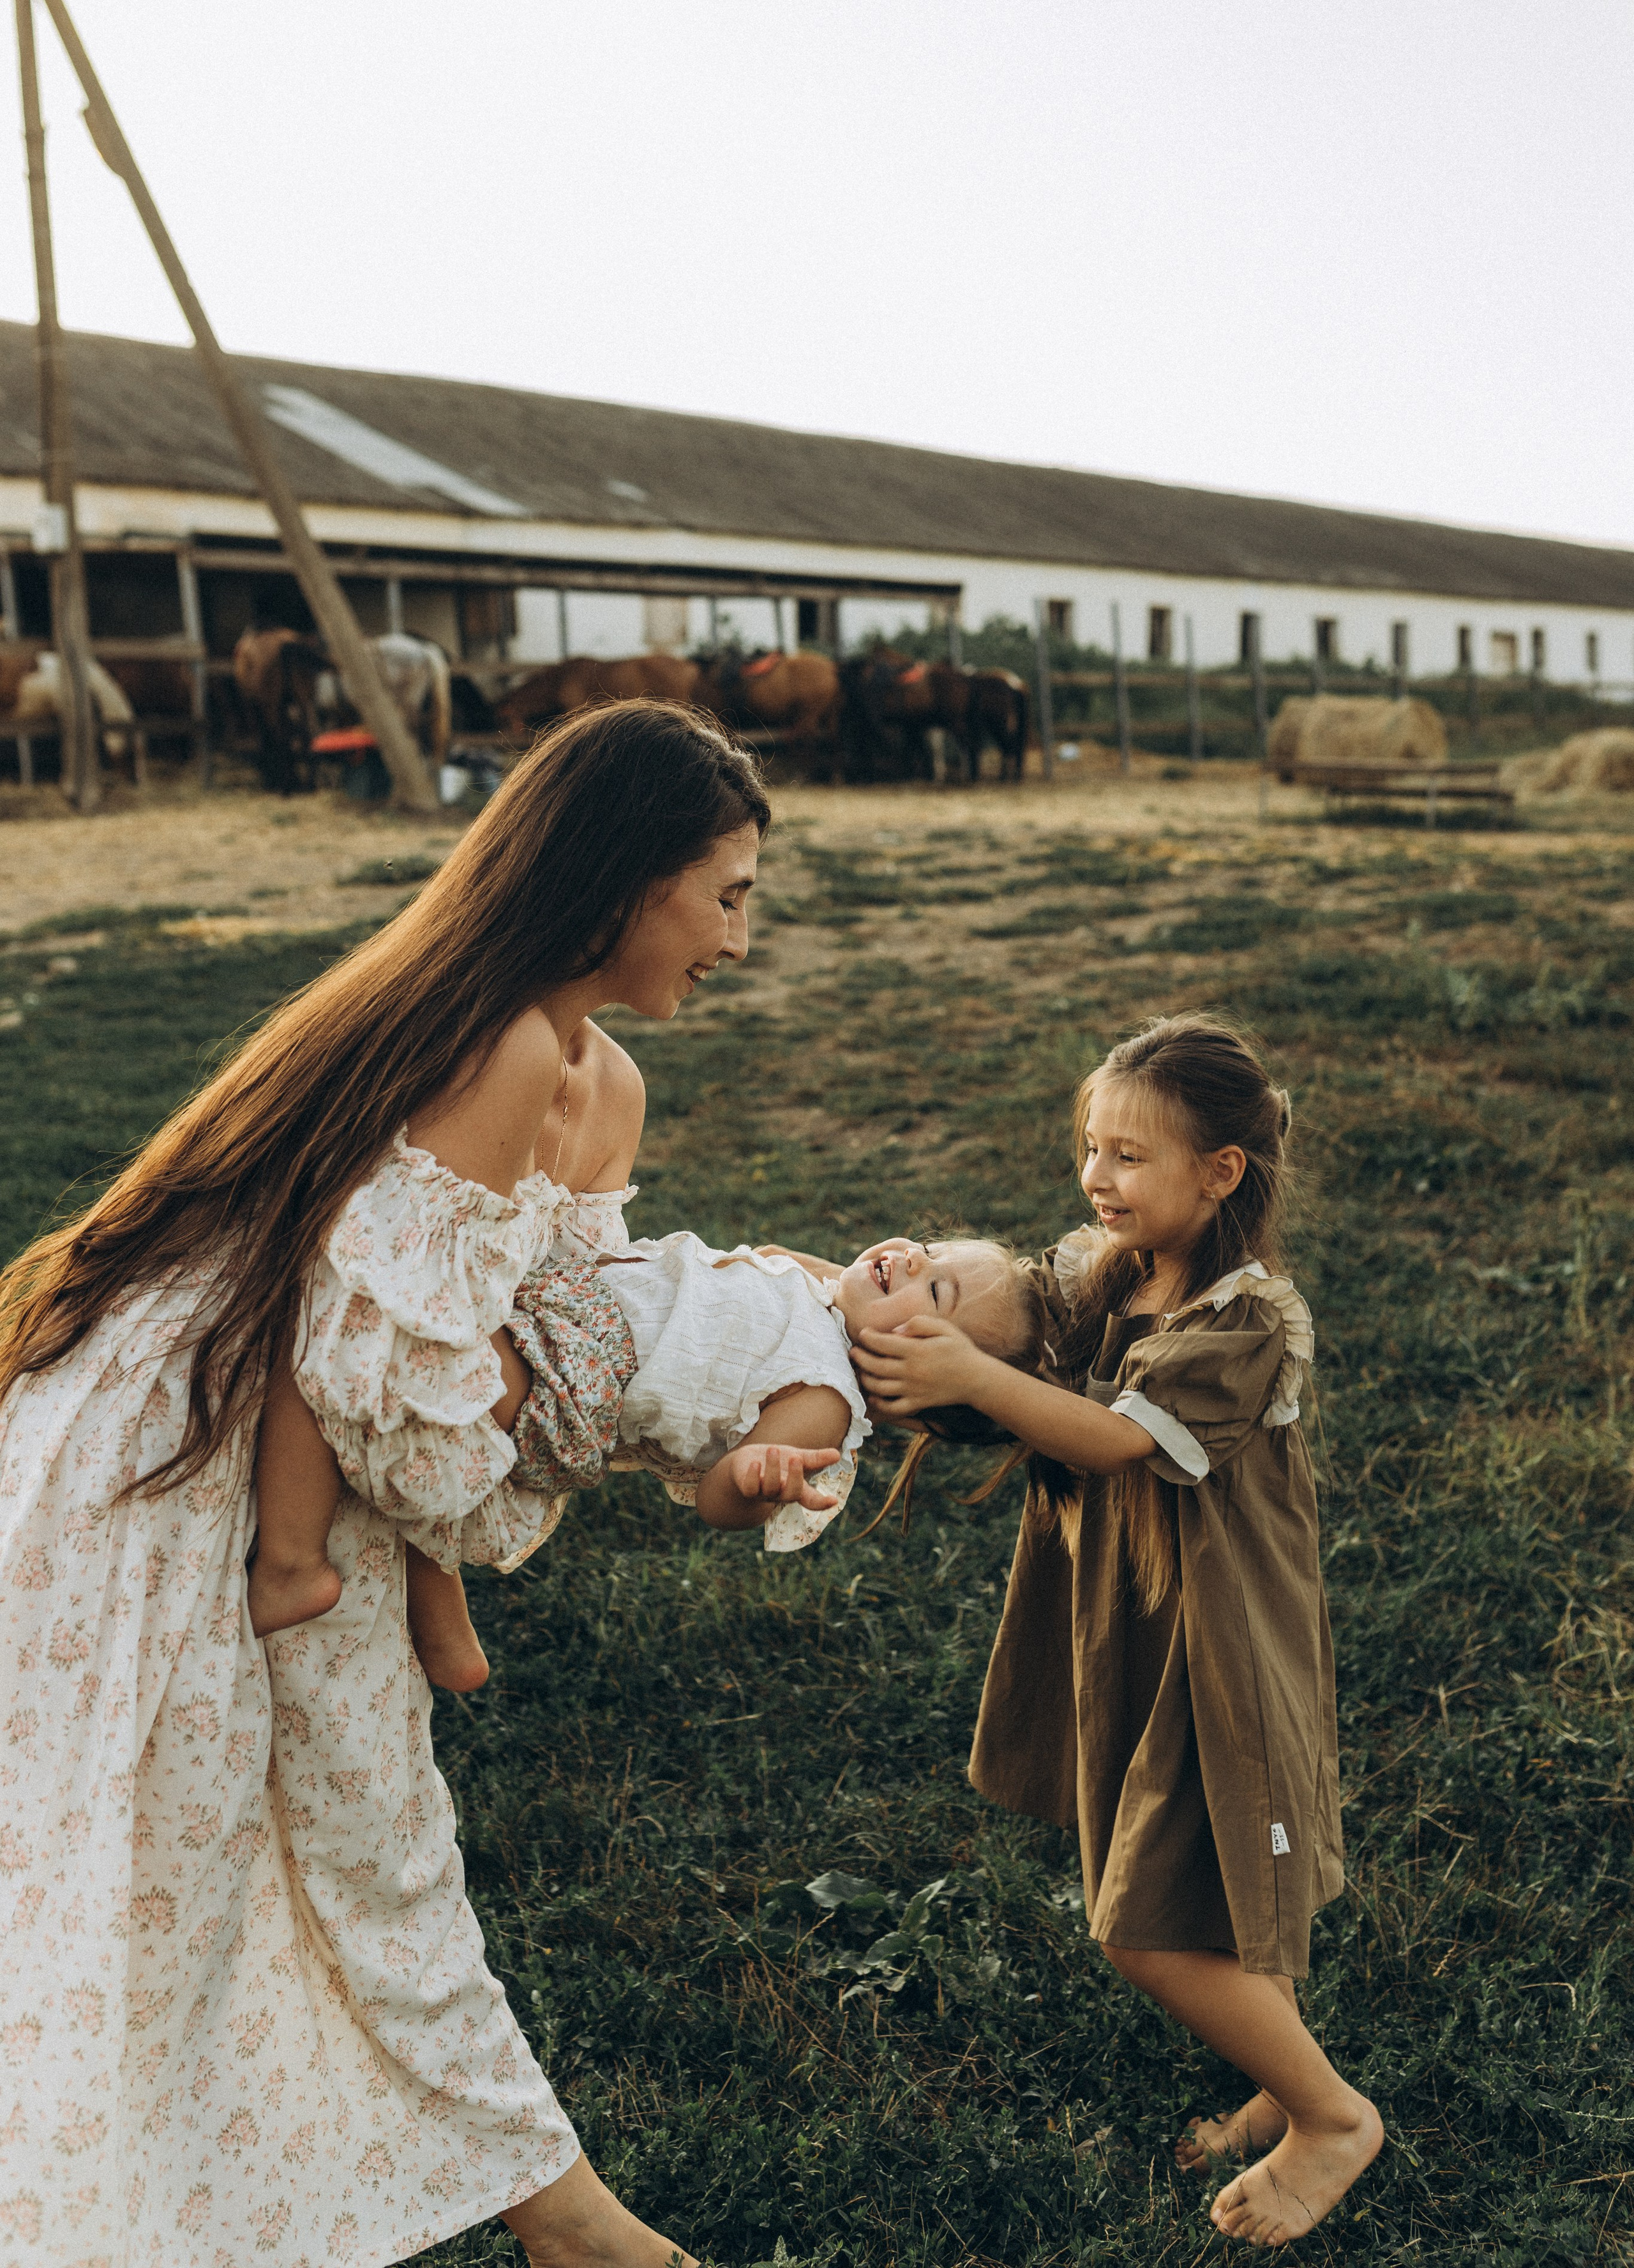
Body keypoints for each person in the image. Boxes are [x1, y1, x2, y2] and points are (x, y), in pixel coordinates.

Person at [0, 700, 776, 2268]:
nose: (739, 940)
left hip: (311, 1433)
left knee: (363, 1829)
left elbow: (538, 1332)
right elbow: (384, 1368)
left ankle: (555, 2212)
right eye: (730, 893)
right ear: (628, 880)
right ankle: (109, 2198)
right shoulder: (487, 1038)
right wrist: (506, 1478)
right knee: (181, 1847)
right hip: (193, 1446)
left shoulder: (592, 1074)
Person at [851, 1016, 1382, 2249]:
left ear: (1221, 1174)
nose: (1099, 1177)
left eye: (1131, 1157)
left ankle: (1331, 2117)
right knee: (1214, 1874)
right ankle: (1277, 2071)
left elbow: (1113, 1440)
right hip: (1138, 1629)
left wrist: (978, 1383)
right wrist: (871, 1287)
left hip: (1222, 1650)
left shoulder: (1246, 1323)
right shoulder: (1113, 1268)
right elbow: (1003, 1302)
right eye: (1093, 1147)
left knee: (1144, 1925)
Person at [255, 1231, 1044, 1692]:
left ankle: (293, 1565)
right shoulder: (830, 1294)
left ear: (919, 1379)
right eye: (931, 1247)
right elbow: (770, 1260)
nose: (909, 1258)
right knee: (426, 1408)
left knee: (354, 1322)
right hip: (569, 1319)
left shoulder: (824, 1396)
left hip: (571, 1380)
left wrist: (751, 1479)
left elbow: (717, 1500)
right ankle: (446, 1637)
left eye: (935, 1292)